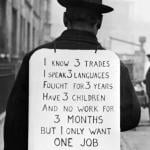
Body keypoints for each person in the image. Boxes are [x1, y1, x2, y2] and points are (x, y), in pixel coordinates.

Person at [4, 0, 141, 150]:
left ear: (65, 19)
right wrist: (97, 121)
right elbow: (131, 117)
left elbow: (15, 122)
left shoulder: (35, 59)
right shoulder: (114, 66)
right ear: (100, 22)